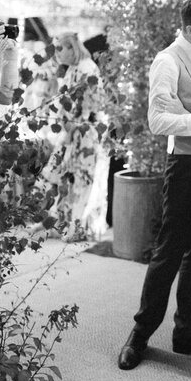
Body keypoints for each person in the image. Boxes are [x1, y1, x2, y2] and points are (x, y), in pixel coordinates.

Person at [118, 0, 191, 371]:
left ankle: (187, 330)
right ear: (189, 30)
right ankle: (139, 335)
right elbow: (157, 120)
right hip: (184, 166)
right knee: (169, 251)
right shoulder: (166, 61)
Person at [34, 32, 112, 242]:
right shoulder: (72, 69)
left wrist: (76, 122)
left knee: (81, 179)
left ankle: (77, 225)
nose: (57, 53)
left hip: (84, 132)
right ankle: (58, 220)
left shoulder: (86, 68)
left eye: (61, 48)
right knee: (63, 176)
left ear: (73, 48)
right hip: (72, 131)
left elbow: (94, 103)